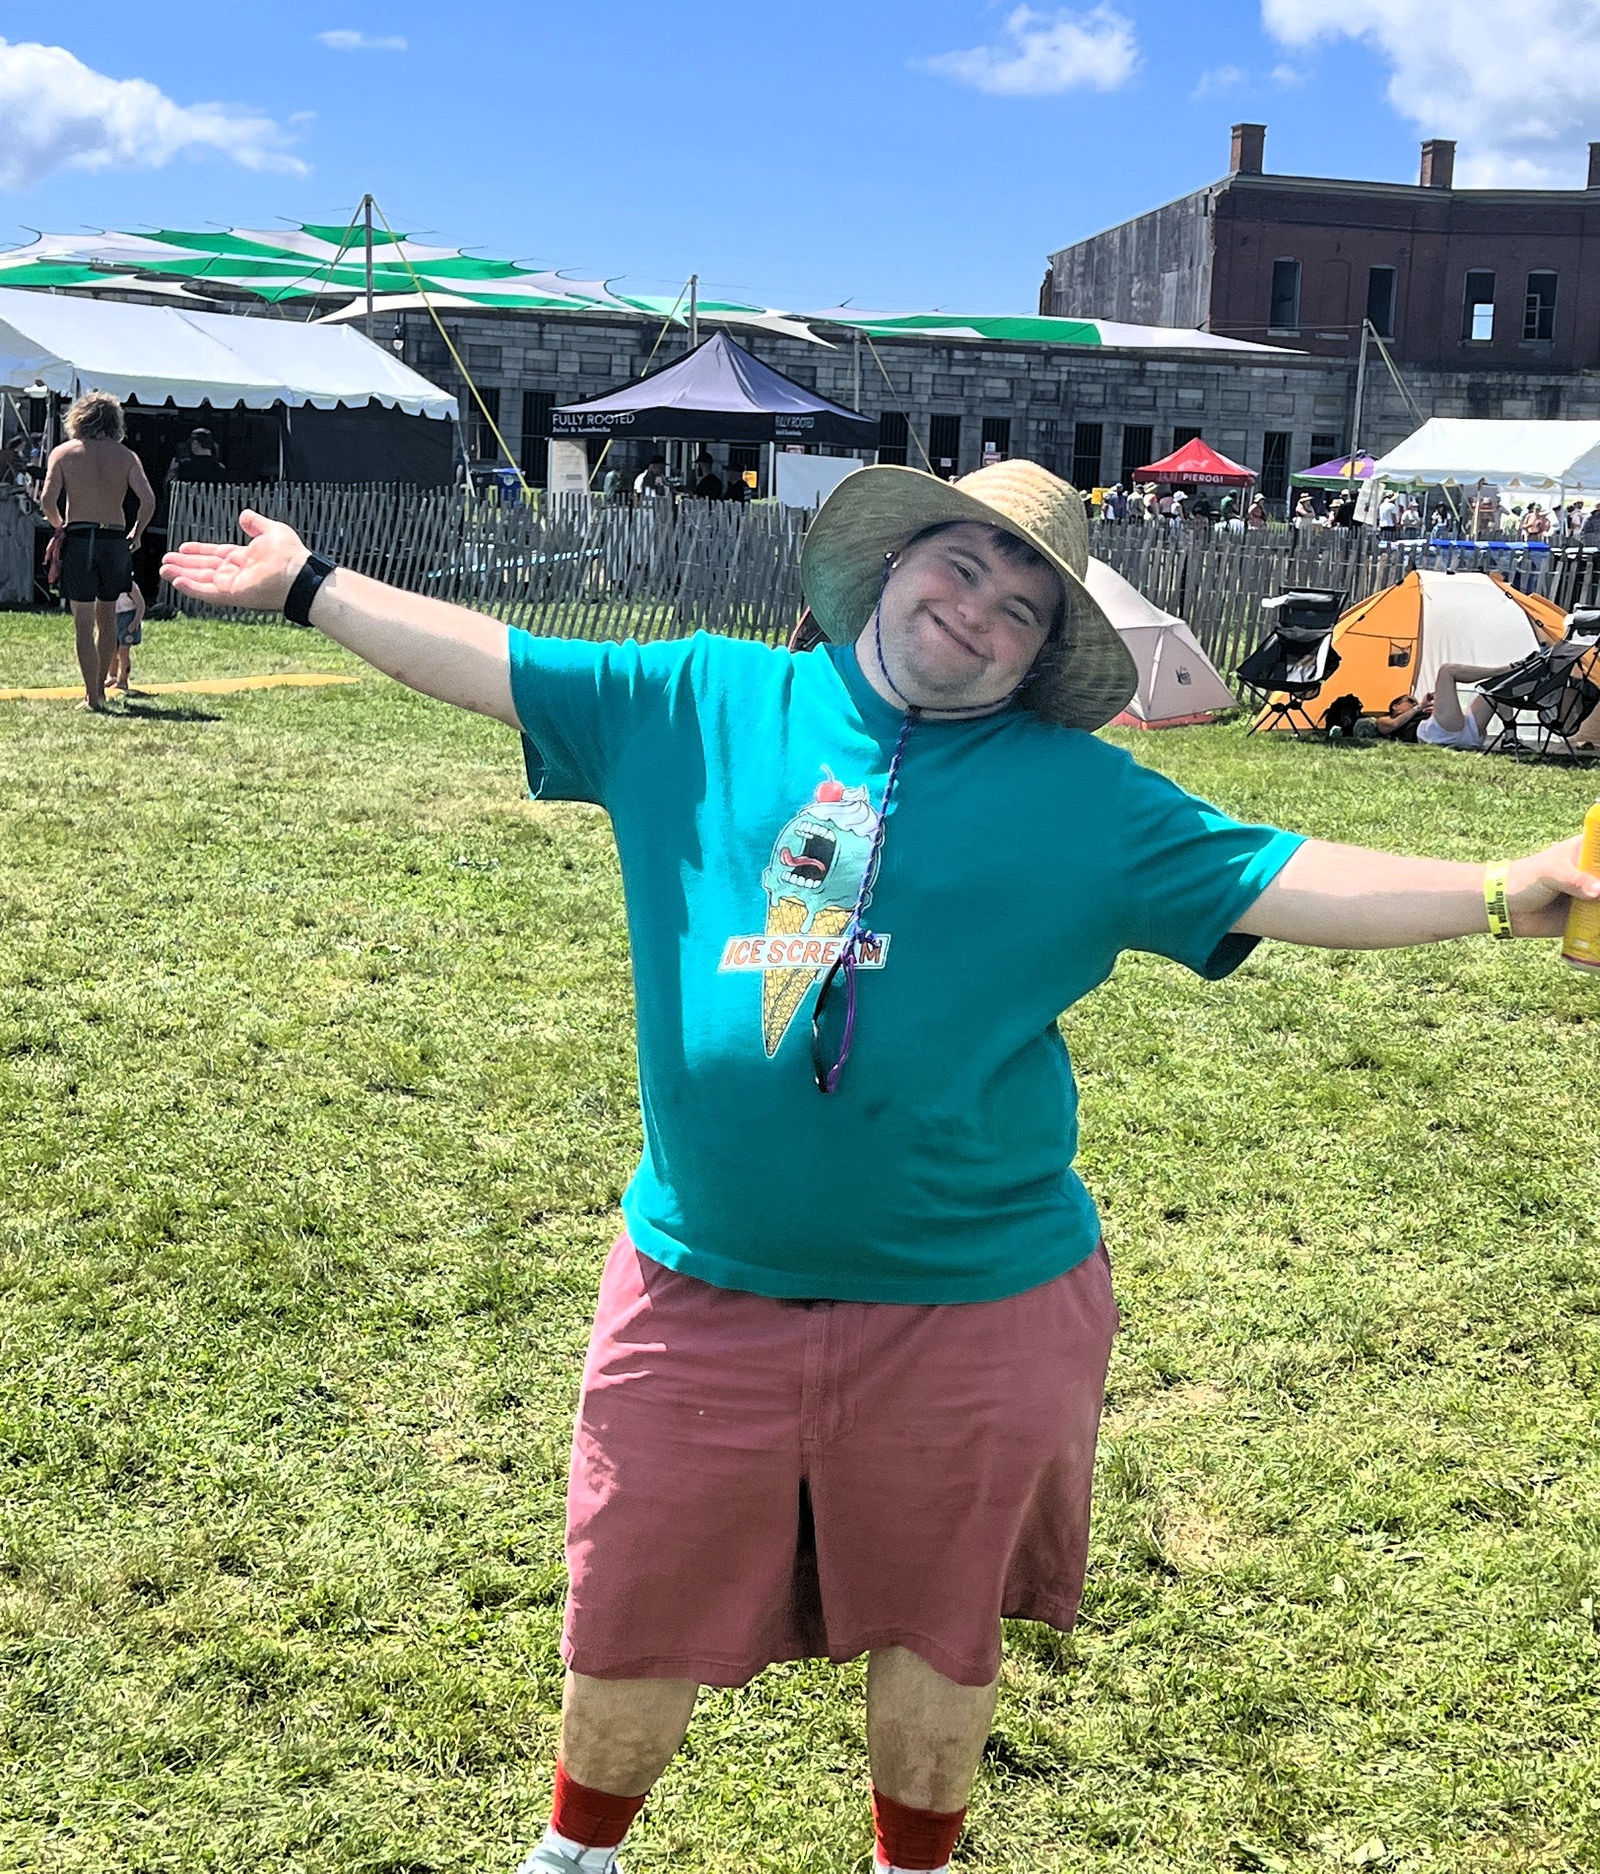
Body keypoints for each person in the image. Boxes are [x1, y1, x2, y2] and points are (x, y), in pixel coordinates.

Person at [162, 458, 1598, 1874]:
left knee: (938, 1615)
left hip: (973, 1300)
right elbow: (499, 661)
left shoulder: (1084, 795)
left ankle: (911, 1863)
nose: (977, 610)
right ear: (894, 562)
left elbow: (1279, 871)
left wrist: (1496, 890)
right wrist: (309, 584)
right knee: (632, 1590)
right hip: (700, 1278)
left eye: (1022, 607)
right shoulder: (706, 700)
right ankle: (574, 1853)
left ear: (1042, 654)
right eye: (960, 567)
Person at [40, 391, 155, 713]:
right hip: (115, 540)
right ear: (114, 422)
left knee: (83, 623)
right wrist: (138, 532)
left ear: (78, 418)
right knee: (108, 620)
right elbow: (148, 501)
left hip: (81, 538)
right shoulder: (126, 456)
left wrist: (59, 525)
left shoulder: (65, 453)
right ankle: (102, 690)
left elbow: (47, 501)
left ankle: (93, 696)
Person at [105, 575, 146, 696]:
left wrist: (135, 621)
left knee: (123, 651)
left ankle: (123, 680)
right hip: (114, 617)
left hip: (128, 618)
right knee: (112, 649)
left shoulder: (129, 586)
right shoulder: (108, 584)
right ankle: (111, 676)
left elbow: (141, 605)